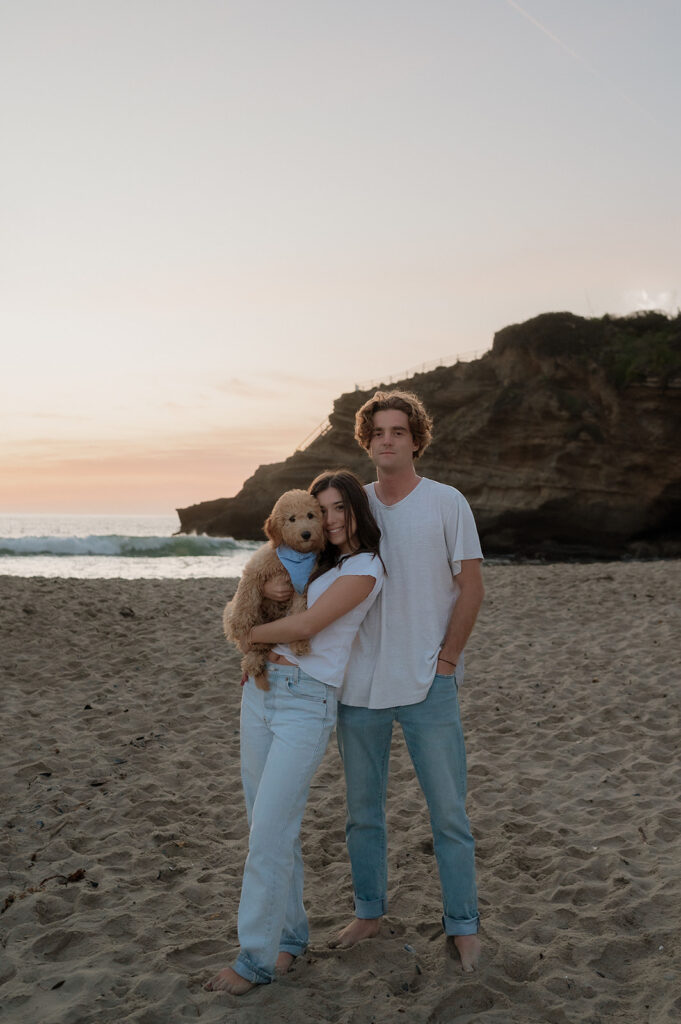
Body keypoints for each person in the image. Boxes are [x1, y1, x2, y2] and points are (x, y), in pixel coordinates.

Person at [205, 469, 385, 995]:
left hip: (306, 703)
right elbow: (270, 587)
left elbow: (306, 627)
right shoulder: (312, 560)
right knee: (266, 823)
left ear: (356, 513)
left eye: (337, 509)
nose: (327, 519)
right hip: (260, 691)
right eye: (320, 508)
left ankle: (254, 961)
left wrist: (248, 637)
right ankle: (289, 937)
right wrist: (259, 645)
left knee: (268, 834)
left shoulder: (367, 568)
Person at [329, 389, 485, 973]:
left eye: (398, 431)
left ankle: (463, 924)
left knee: (448, 812)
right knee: (362, 812)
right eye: (377, 432)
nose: (387, 440)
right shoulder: (352, 506)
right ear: (366, 441)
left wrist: (446, 660)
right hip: (358, 687)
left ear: (416, 438)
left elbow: (470, 587)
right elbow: (315, 575)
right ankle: (369, 912)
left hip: (428, 683)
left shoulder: (447, 503)